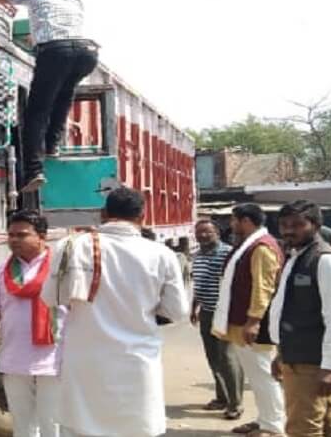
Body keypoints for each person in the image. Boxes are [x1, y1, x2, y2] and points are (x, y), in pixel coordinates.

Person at [41, 187, 188, 437]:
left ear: (103, 213)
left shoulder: (71, 246)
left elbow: (49, 298)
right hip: (137, 361)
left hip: (84, 362)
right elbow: (177, 311)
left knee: (82, 428)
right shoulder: (162, 255)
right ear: (143, 216)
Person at [0, 0, 99, 193]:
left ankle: (34, 171)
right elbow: (50, 28)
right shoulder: (75, 1)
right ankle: (52, 146)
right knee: (63, 97)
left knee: (37, 112)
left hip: (57, 51)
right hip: (87, 52)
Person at [0, 210, 64, 437]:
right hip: (15, 359)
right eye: (11, 235)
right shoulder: (0, 273)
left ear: (41, 236)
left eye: (22, 235)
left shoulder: (60, 269)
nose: (14, 240)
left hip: (55, 358)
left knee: (53, 424)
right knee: (23, 426)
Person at [269, 200, 331, 437]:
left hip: (312, 361)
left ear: (316, 225)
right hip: (296, 355)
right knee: (328, 424)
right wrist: (281, 353)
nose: (289, 230)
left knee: (302, 428)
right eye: (284, 224)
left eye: (297, 224)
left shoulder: (325, 260)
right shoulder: (296, 256)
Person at [212, 203, 285, 437]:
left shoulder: (262, 248)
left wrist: (253, 321)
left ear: (246, 221)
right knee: (257, 376)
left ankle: (274, 427)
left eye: (233, 220)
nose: (231, 225)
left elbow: (263, 288)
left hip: (254, 325)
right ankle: (265, 419)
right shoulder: (249, 245)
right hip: (245, 321)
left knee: (264, 375)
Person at [189, 219, 244, 420]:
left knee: (227, 357)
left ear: (217, 233)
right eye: (199, 232)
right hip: (206, 312)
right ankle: (221, 398)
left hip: (225, 313)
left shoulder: (227, 254)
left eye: (207, 232)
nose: (202, 235)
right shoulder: (198, 254)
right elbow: (199, 282)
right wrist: (195, 306)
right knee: (213, 357)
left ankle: (235, 403)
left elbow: (235, 284)